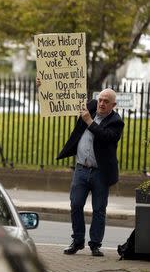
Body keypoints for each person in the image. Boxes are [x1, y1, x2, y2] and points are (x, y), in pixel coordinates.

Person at [37, 78, 124, 256]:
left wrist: (89, 122)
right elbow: (63, 99)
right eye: (100, 99)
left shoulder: (116, 121)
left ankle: (95, 245)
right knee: (76, 205)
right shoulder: (90, 106)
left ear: (113, 105)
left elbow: (106, 137)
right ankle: (77, 241)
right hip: (81, 169)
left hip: (100, 172)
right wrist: (44, 86)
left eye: (106, 101)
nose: (101, 103)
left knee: (99, 209)